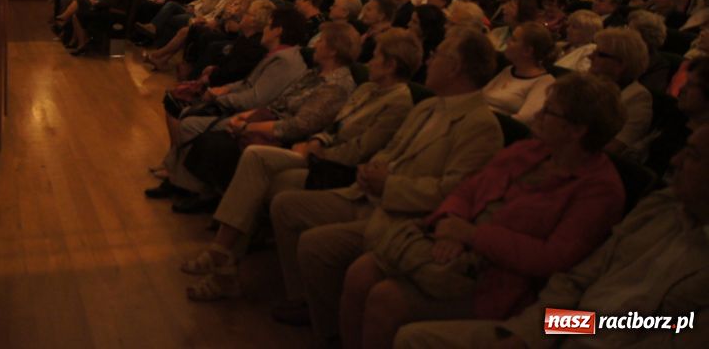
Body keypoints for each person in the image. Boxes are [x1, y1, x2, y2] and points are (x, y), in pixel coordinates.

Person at [341, 72, 627, 349]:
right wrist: (451, 223)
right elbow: (468, 189)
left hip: (499, 281)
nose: (538, 114)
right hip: (453, 247)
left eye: (549, 111)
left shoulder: (600, 190)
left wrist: (472, 235)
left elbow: (551, 258)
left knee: (386, 299)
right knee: (362, 271)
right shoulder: (530, 150)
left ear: (577, 130)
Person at [268, 28, 503, 341]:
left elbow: (453, 192)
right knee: (288, 206)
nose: (429, 61)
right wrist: (373, 169)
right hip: (371, 197)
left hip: (405, 218)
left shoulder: (480, 126)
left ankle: (329, 331)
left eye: (437, 55)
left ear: (455, 67)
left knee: (322, 247)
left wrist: (388, 184)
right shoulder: (428, 106)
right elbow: (391, 150)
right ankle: (312, 308)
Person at [394, 126, 709, 349]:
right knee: (413, 339)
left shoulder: (600, 188)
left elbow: (674, 331)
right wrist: (532, 334)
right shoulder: (662, 210)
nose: (675, 161)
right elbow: (576, 280)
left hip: (598, 337)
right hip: (565, 328)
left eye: (693, 155)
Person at [179, 28, 420, 300]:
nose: (369, 62)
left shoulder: (398, 102)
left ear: (390, 65)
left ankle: (222, 260)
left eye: (376, 57)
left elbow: (359, 150)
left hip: (335, 169)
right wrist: (317, 141)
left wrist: (318, 151)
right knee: (255, 156)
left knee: (259, 170)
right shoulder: (367, 89)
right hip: (314, 151)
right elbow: (335, 125)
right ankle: (222, 254)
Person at [147, 6, 308, 206]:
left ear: (278, 30)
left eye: (268, 25)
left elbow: (256, 98)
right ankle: (176, 177)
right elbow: (247, 84)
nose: (264, 30)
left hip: (251, 116)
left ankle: (190, 187)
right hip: (245, 108)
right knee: (187, 113)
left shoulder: (284, 62)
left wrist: (219, 98)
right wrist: (224, 89)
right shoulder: (279, 56)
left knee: (189, 123)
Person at [588, 28, 654, 161]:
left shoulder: (638, 98)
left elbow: (612, 149)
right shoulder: (590, 84)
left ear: (621, 65)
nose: (590, 56)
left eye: (599, 54)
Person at [482, 22, 556, 123]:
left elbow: (524, 120)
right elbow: (481, 97)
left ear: (527, 51)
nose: (507, 42)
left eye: (513, 40)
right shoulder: (508, 70)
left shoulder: (544, 82)